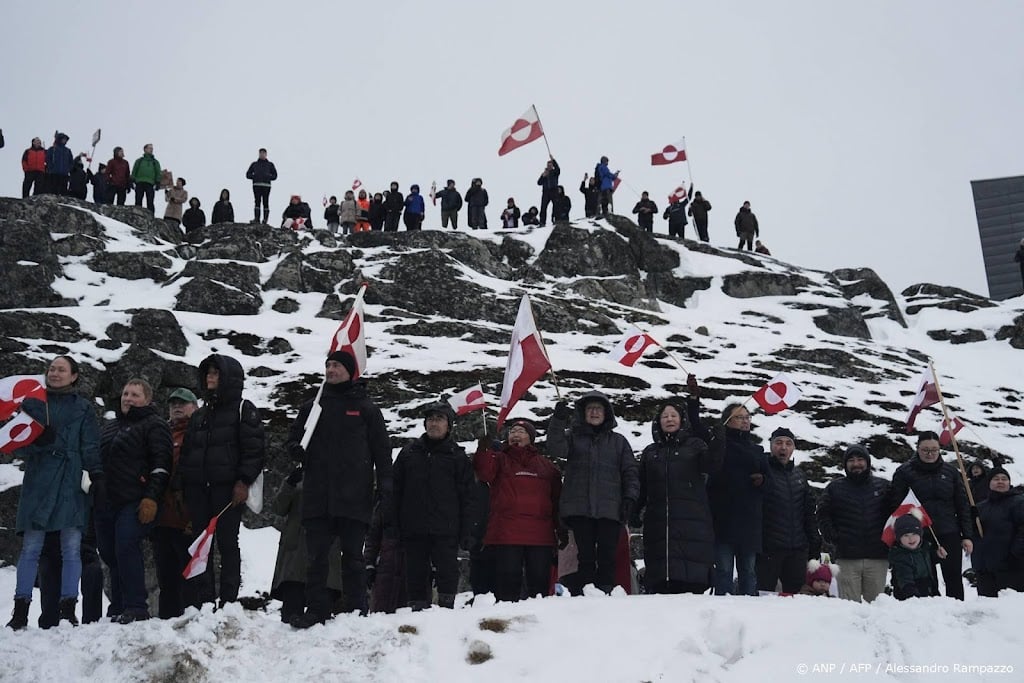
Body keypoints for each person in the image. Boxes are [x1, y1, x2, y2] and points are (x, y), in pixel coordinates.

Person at [285, 350, 393, 627]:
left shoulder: (367, 408)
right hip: (318, 495)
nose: (331, 370)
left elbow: (382, 451)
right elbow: (293, 441)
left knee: (354, 558)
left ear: (349, 370)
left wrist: (385, 485)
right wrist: (296, 451)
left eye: (336, 365)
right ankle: (317, 610)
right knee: (317, 558)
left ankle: (357, 610)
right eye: (328, 365)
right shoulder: (312, 407)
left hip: (354, 496)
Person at [7, 356, 102, 630]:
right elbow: (18, 442)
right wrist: (38, 444)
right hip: (38, 481)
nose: (55, 373)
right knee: (31, 548)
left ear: (74, 376)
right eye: (52, 369)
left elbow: (90, 445)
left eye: (61, 369)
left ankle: (67, 609)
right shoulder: (33, 404)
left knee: (71, 548)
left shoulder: (83, 407)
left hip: (71, 480)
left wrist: (96, 474)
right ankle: (20, 611)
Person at [180, 354, 265, 608]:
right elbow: (187, 454)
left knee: (228, 544)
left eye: (216, 373)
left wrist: (243, 481)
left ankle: (228, 600)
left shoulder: (243, 409)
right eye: (208, 373)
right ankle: (204, 600)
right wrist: (184, 487)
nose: (210, 377)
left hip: (228, 491)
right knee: (201, 544)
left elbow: (255, 450)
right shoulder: (199, 416)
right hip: (199, 491)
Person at [95, 378, 172, 624]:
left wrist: (151, 497)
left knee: (126, 544)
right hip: (106, 499)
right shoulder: (109, 426)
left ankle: (136, 606)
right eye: (126, 393)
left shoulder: (155, 424)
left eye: (135, 395)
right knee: (109, 551)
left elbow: (162, 464)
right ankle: (118, 605)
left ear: (147, 400)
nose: (128, 398)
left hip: (136, 498)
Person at [548, 392, 639, 594]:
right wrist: (558, 420)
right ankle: (586, 595)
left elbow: (630, 472)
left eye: (599, 408)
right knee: (585, 556)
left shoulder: (619, 442)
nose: (595, 412)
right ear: (583, 413)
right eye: (590, 409)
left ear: (607, 413)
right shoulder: (573, 437)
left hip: (610, 508)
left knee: (608, 555)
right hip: (579, 508)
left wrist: (630, 498)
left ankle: (606, 593)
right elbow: (555, 448)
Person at [636, 399, 723, 595]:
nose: (669, 419)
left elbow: (712, 466)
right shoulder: (651, 452)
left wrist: (718, 443)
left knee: (691, 580)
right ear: (658, 421)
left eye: (673, 415)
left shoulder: (696, 445)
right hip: (658, 523)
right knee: (661, 579)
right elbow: (642, 485)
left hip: (692, 522)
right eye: (664, 416)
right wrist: (634, 510)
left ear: (681, 420)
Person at [394, 403, 475, 609]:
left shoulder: (457, 456)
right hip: (413, 526)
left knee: (447, 571)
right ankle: (417, 611)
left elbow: (467, 497)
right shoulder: (408, 453)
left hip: (446, 528)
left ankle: (446, 612)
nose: (434, 424)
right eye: (430, 419)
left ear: (449, 426)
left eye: (439, 419)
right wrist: (392, 524)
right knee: (415, 572)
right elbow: (394, 491)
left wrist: (467, 530)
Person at [474, 418, 561, 602]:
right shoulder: (499, 460)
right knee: (507, 583)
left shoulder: (547, 467)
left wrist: (560, 529)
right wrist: (483, 451)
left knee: (539, 585)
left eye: (521, 432)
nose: (515, 434)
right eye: (512, 431)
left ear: (531, 438)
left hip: (540, 535)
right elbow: (484, 473)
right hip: (506, 532)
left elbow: (556, 500)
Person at [889, 431, 973, 599]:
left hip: (949, 531)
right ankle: (930, 614)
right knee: (925, 578)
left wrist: (967, 535)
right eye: (925, 450)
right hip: (920, 534)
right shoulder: (904, 472)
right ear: (917, 449)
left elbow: (962, 505)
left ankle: (957, 612)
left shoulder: (951, 472)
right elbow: (896, 505)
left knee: (953, 577)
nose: (930, 454)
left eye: (934, 450)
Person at [816, 444, 891, 602]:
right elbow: (823, 513)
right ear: (845, 464)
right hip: (847, 558)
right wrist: (833, 537)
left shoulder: (883, 487)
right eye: (851, 460)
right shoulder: (834, 488)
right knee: (849, 608)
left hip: (877, 557)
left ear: (868, 462)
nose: (856, 463)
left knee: (878, 607)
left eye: (860, 459)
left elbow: (894, 514)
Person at [707, 403, 768, 596]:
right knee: (723, 571)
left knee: (748, 573)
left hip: (749, 522)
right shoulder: (719, 446)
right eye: (739, 417)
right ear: (727, 421)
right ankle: (721, 613)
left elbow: (770, 483)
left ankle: (750, 615)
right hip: (723, 519)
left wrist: (763, 480)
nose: (745, 421)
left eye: (747, 417)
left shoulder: (757, 450)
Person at [270, 465, 344, 622]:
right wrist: (289, 483)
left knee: (321, 622)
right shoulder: (299, 476)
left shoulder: (339, 475)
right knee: (289, 620)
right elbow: (278, 507)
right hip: (295, 557)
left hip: (326, 557)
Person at [151, 387, 198, 619]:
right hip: (161, 516)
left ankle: (190, 619)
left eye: (183, 403)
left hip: (187, 516)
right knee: (165, 575)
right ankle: (165, 622)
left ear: (195, 407)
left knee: (189, 573)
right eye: (173, 404)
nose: (177, 407)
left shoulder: (199, 433)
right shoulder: (161, 433)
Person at [756, 427, 821, 594]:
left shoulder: (799, 476)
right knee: (763, 596)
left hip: (797, 549)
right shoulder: (761, 472)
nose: (783, 447)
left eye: (788, 443)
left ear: (793, 448)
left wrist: (814, 544)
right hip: (768, 549)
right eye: (778, 443)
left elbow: (808, 513)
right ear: (771, 445)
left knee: (794, 598)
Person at [37, 515, 103, 627]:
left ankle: (91, 621)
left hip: (79, 525)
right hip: (59, 528)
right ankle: (52, 619)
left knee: (92, 567)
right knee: (49, 563)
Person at [970, 467, 1024, 597]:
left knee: (1009, 608)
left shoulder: (1019, 502)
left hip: (1011, 567)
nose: (1000, 482)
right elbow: (973, 534)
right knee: (988, 610)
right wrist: (971, 519)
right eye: (996, 479)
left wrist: (1016, 553)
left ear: (1009, 483)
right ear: (989, 483)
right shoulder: (981, 507)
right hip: (985, 568)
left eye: (1004, 479)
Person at [364, 496, 406, 614]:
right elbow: (372, 537)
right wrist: (369, 564)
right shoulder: (384, 504)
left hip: (410, 575)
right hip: (385, 570)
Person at [889, 512, 943, 600]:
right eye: (906, 535)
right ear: (899, 538)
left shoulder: (925, 549)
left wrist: (937, 555)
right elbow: (905, 580)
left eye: (914, 534)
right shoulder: (900, 556)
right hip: (910, 599)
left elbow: (927, 564)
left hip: (929, 593)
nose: (911, 539)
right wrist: (914, 597)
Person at [246, 148, 277, 224]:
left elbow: (275, 176)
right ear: (259, 154)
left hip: (266, 186)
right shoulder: (254, 164)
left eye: (263, 153)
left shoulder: (270, 164)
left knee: (265, 202)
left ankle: (265, 220)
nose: (262, 154)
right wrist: (255, 176)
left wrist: (268, 177)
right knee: (257, 201)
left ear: (266, 155)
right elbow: (247, 174)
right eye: (261, 153)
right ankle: (256, 219)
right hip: (256, 185)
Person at [131, 144, 161, 213]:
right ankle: (137, 214)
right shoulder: (139, 161)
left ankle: (151, 215)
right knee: (138, 200)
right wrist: (132, 180)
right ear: (145, 149)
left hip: (150, 183)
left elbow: (158, 172)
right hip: (139, 182)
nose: (151, 150)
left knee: (150, 201)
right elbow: (134, 170)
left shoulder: (155, 162)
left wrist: (158, 182)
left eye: (152, 148)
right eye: (150, 148)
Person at [537, 157, 560, 226]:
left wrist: (553, 160)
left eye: (550, 165)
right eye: (548, 165)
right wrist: (543, 176)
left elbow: (558, 169)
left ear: (552, 166)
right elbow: (539, 183)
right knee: (543, 207)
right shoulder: (544, 173)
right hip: (546, 192)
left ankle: (556, 220)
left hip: (554, 190)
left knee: (556, 206)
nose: (549, 166)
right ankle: (542, 222)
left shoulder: (555, 172)